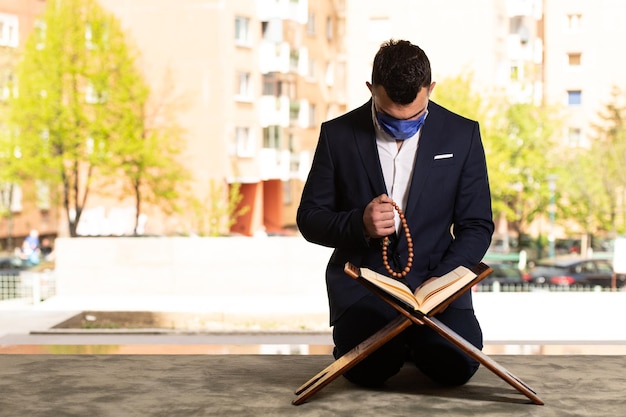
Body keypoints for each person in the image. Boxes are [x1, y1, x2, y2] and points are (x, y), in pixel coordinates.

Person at [297, 39, 494, 388]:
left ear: (430, 89)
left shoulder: (463, 135)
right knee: (368, 371)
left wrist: (444, 282)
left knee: (454, 368)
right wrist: (359, 223)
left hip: (437, 287)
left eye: (415, 116)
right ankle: (398, 345)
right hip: (365, 290)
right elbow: (309, 218)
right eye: (389, 116)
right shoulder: (337, 135)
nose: (402, 124)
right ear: (371, 88)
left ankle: (418, 343)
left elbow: (476, 225)